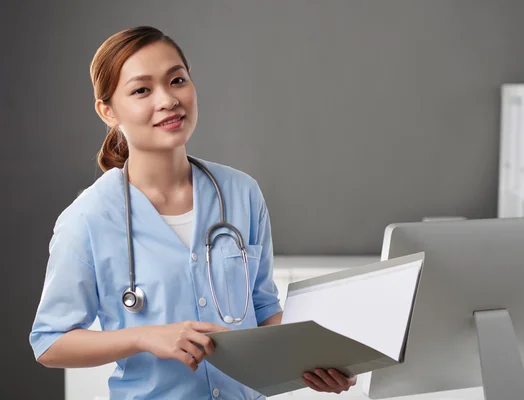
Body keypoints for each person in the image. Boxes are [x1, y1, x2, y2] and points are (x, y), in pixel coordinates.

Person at [29, 26, 357, 399]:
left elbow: (264, 309)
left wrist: (321, 360)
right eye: (142, 90)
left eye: (177, 80)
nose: (168, 99)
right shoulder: (87, 219)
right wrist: (144, 337)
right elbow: (50, 342)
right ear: (107, 110)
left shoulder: (241, 194)